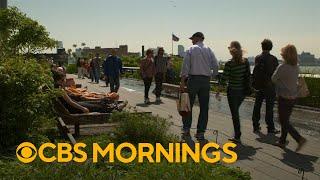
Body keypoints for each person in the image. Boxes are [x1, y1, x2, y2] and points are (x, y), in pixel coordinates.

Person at [180, 32, 219, 144]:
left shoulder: (191, 49)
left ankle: (186, 129)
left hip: (193, 80)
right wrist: (213, 75)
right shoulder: (209, 49)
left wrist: (182, 81)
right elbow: (215, 65)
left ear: (198, 38)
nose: (191, 40)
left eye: (192, 38)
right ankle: (200, 132)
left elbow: (185, 66)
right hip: (206, 81)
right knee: (204, 107)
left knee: (188, 105)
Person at [272, 44, 306, 152]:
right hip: (293, 97)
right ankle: (282, 141)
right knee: (285, 119)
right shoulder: (296, 66)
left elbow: (273, 78)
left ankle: (299, 138)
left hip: (283, 97)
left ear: (284, 54)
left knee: (283, 121)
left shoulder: (282, 67)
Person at [220, 41, 251, 143]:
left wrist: (219, 89)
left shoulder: (229, 63)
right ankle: (237, 134)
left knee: (235, 114)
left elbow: (224, 78)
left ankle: (237, 136)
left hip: (232, 91)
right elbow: (248, 76)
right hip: (242, 91)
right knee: (236, 112)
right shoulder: (245, 62)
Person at [252, 39, 280, 134]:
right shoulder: (273, 59)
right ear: (271, 47)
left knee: (257, 106)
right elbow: (277, 74)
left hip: (259, 86)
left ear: (262, 46)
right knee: (269, 107)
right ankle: (270, 127)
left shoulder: (257, 58)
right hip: (269, 86)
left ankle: (255, 126)